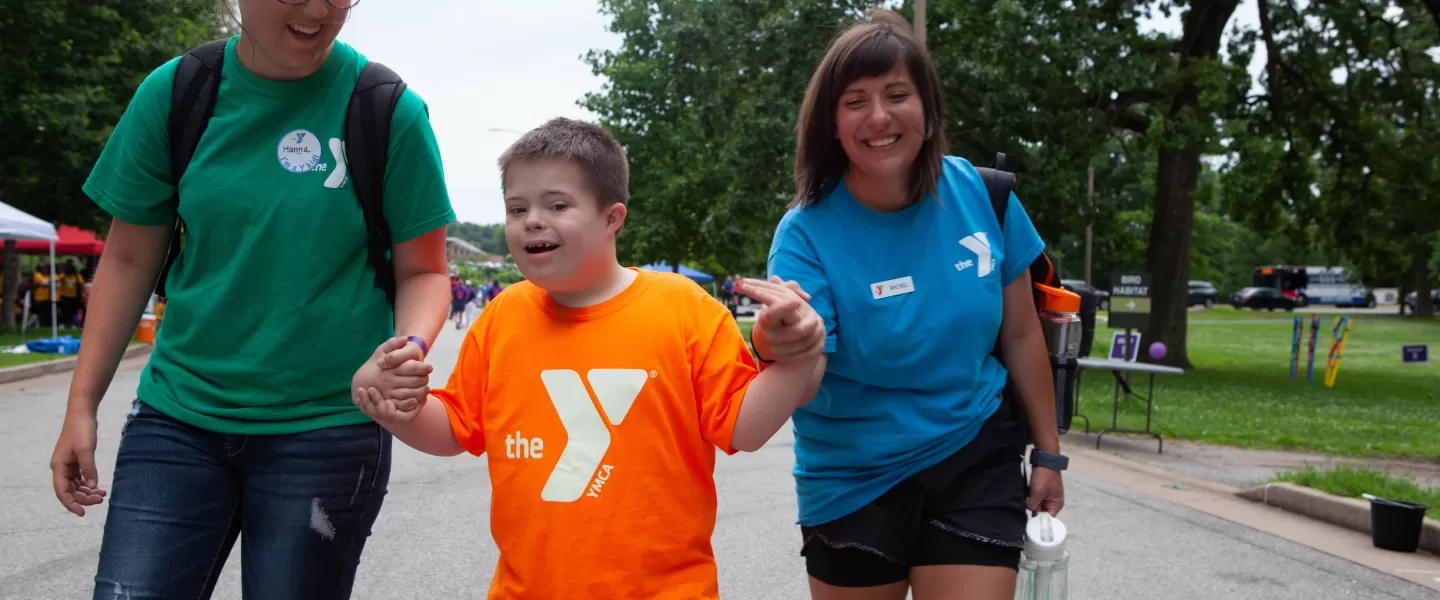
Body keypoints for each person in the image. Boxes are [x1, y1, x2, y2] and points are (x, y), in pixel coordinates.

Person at [48, 0, 455, 598]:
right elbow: (129, 258)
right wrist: (81, 405)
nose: (318, 10)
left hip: (327, 428)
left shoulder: (386, 108)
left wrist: (407, 349)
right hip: (178, 420)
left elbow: (424, 271)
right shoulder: (178, 92)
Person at [350, 117, 827, 599]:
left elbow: (744, 427)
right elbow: (455, 428)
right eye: (517, 208)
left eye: (557, 204)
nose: (532, 219)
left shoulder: (684, 309)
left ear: (611, 217)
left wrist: (799, 358)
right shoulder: (503, 315)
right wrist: (393, 406)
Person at [765, 11, 1067, 600]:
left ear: (927, 108)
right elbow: (803, 360)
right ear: (830, 121)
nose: (879, 117)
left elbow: (1023, 337)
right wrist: (788, 339)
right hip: (853, 475)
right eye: (855, 100)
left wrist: (1050, 455)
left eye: (897, 94)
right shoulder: (804, 233)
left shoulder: (986, 198)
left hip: (975, 454)